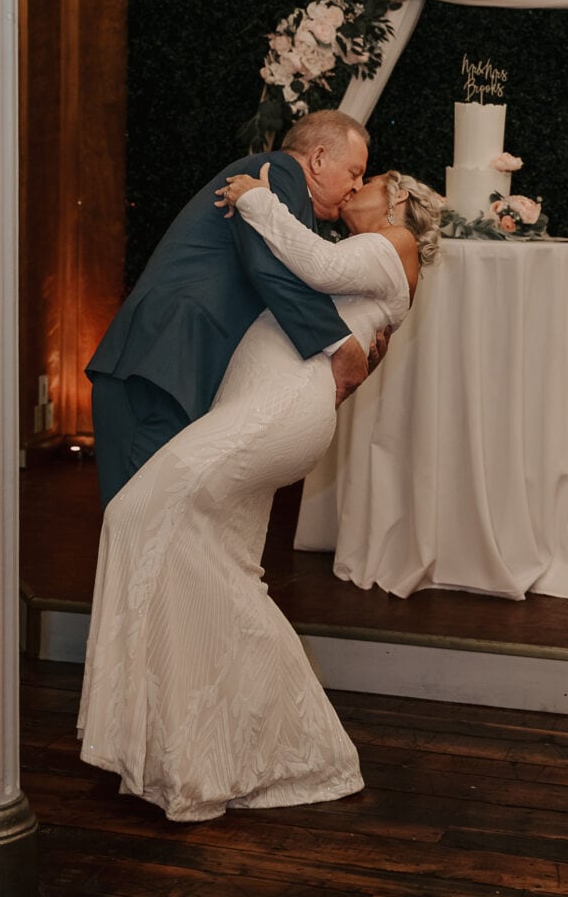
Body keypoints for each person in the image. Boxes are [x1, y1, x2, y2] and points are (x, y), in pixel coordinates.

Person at [78, 163, 442, 822]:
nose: (357, 182)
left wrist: (256, 199)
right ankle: (217, 749)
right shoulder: (359, 251)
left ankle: (272, 748)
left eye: (370, 176)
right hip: (260, 404)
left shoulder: (394, 244)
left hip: (278, 409)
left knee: (137, 513)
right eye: (353, 170)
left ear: (397, 203)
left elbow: (316, 269)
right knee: (223, 571)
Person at [86, 110, 387, 508]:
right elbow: (271, 269)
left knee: (153, 528)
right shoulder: (277, 173)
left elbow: (294, 278)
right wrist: (340, 343)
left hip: (173, 369)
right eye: (353, 171)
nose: (357, 186)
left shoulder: (286, 195)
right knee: (135, 521)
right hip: (159, 367)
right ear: (316, 159)